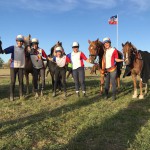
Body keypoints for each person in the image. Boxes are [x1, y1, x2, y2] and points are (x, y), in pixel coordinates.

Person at [0, 35, 25, 101]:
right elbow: (3, 51)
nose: (20, 42)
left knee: (21, 81)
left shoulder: (24, 49)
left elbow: (30, 52)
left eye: (21, 41)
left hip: (21, 67)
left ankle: (21, 95)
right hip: (13, 67)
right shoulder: (13, 47)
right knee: (13, 81)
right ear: (16, 41)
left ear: (23, 42)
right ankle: (11, 96)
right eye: (19, 41)